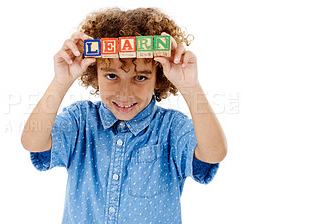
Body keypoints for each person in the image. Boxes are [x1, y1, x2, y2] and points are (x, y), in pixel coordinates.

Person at [21, 7, 227, 224]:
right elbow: (33, 141)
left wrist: (191, 87)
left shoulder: (171, 128)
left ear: (159, 77)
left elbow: (213, 153)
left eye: (140, 77)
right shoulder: (81, 120)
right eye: (112, 75)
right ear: (95, 73)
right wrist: (61, 81)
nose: (125, 93)